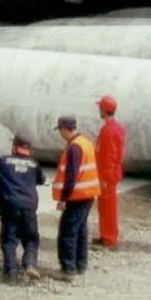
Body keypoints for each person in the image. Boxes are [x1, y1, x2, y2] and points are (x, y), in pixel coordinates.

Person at [0, 134, 45, 284]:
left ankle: (11, 273)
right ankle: (30, 264)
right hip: (29, 206)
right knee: (31, 238)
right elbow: (41, 180)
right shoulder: (34, 164)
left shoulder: (5, 160)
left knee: (9, 240)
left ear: (14, 146)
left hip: (10, 206)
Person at [51, 115, 100, 280]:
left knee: (68, 232)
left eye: (60, 131)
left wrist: (63, 199)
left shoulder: (74, 147)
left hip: (77, 196)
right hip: (88, 194)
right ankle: (80, 264)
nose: (60, 134)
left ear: (65, 129)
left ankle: (68, 268)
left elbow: (71, 175)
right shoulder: (85, 142)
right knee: (80, 230)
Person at [93, 95, 126, 249]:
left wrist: (105, 177)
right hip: (110, 173)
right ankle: (105, 234)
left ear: (104, 110)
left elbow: (109, 156)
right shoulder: (115, 128)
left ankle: (109, 238)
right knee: (105, 206)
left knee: (108, 207)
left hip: (107, 175)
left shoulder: (108, 131)